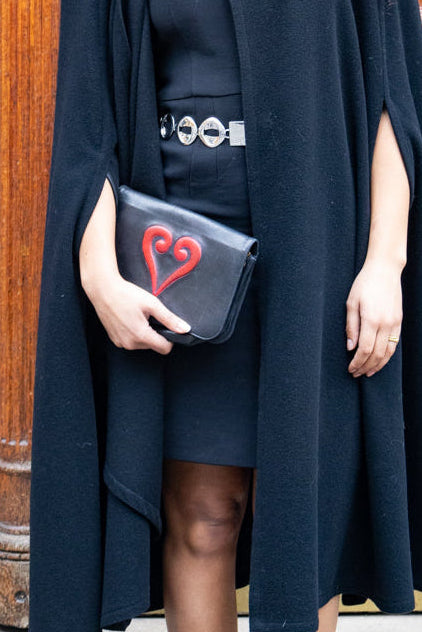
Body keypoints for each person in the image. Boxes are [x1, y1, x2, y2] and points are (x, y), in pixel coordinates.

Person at [29, 1, 422, 632]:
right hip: (179, 254)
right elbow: (88, 111)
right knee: (202, 516)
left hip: (321, 249)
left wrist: (385, 261)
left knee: (303, 523)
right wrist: (99, 274)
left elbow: (393, 100)